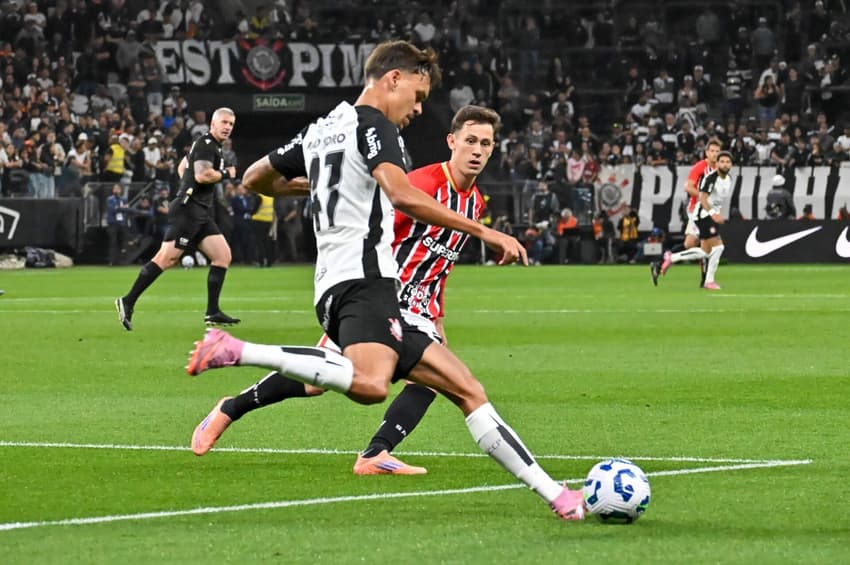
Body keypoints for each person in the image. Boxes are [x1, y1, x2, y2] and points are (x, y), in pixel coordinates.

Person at [186, 41, 585, 521]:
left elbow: (254, 177)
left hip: (358, 287)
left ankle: (558, 498)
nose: (418, 109)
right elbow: (399, 195)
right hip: (370, 283)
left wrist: (330, 183)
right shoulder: (381, 134)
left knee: (464, 387)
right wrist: (486, 233)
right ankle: (237, 358)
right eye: (417, 95)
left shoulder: (324, 130)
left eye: (486, 144)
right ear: (393, 78)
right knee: (369, 383)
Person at [192, 105, 498, 476]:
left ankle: (375, 453)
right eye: (470, 141)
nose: (477, 150)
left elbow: (438, 266)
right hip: (375, 295)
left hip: (416, 306)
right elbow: (378, 226)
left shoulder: (475, 202)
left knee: (434, 380)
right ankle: (232, 407)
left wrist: (436, 313)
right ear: (452, 142)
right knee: (320, 383)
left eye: (485, 143)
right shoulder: (419, 184)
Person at [115, 108, 240, 330]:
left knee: (222, 256)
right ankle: (127, 300)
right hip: (188, 211)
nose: (228, 127)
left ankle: (212, 311)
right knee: (167, 259)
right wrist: (227, 174)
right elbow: (202, 174)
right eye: (224, 122)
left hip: (200, 210)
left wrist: (189, 184)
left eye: (231, 123)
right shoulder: (206, 144)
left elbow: (184, 167)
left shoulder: (208, 145)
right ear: (212, 124)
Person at [651, 139, 722, 286]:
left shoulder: (720, 169)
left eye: (717, 151)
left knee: (690, 243)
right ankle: (705, 280)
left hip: (707, 210)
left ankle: (660, 263)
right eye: (712, 151)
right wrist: (703, 197)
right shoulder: (700, 167)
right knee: (707, 244)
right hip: (697, 210)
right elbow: (688, 187)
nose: (715, 154)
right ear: (706, 153)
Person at [689, 151, 734, 290]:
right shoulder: (711, 178)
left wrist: (716, 213)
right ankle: (709, 281)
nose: (725, 164)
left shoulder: (728, 179)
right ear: (718, 163)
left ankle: (670, 258)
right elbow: (702, 198)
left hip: (711, 215)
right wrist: (713, 213)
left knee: (705, 251)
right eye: (722, 161)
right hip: (703, 215)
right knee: (718, 247)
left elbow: (717, 200)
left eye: (728, 162)